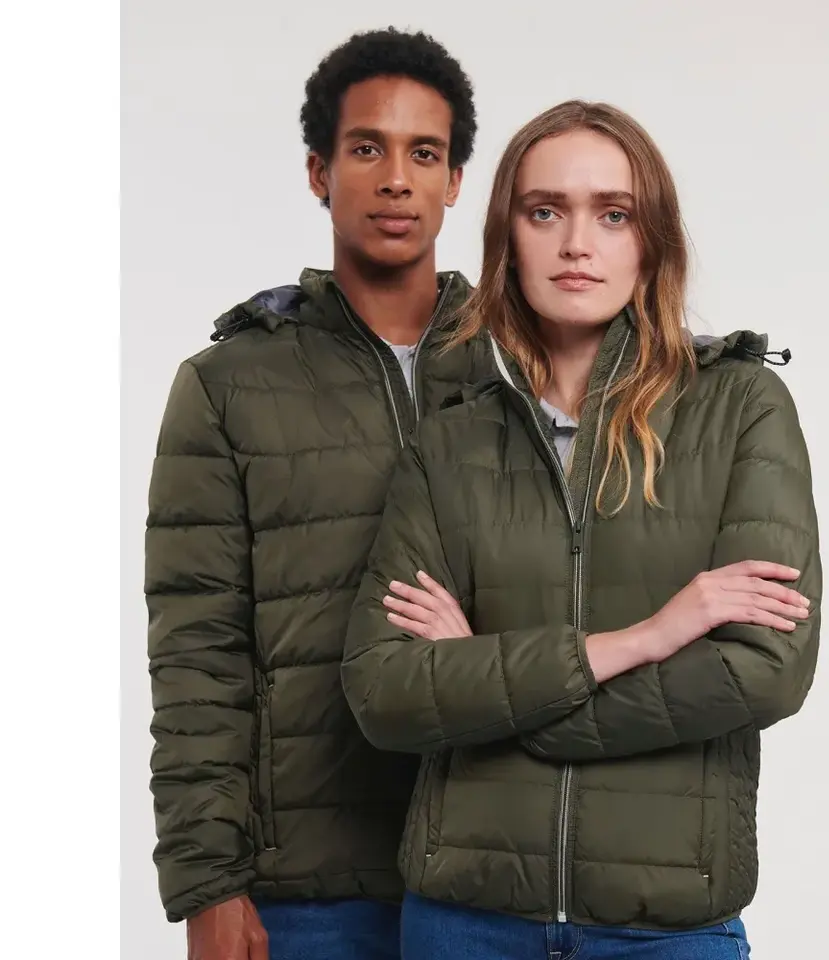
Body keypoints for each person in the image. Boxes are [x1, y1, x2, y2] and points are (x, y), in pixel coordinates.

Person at [342, 99, 821, 959]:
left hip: (664, 931)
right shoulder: (450, 439)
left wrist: (497, 694)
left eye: (613, 214)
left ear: (652, 240)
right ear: (507, 236)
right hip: (465, 921)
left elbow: (763, 671)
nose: (576, 243)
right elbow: (385, 690)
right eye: (544, 212)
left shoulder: (741, 407)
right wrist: (641, 640)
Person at [144, 27, 490, 960]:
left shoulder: (524, 362)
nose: (396, 180)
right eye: (367, 148)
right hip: (311, 888)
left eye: (425, 153)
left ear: (456, 180)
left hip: (503, 875)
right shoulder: (228, 384)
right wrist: (208, 885)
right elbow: (197, 652)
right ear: (318, 172)